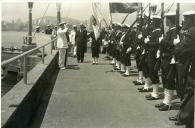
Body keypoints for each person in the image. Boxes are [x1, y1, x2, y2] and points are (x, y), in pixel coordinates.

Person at [169, 10, 195, 128]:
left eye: (187, 18)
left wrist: (177, 44)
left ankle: (184, 117)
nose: (184, 21)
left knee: (189, 92)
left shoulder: (192, 32)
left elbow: (180, 51)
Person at [154, 12, 177, 111]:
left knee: (169, 79)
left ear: (170, 20)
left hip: (169, 59)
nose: (165, 21)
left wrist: (162, 41)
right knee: (165, 79)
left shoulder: (175, 31)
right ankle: (165, 101)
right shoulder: (169, 31)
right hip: (164, 59)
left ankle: (168, 103)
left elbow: (172, 44)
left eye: (167, 19)